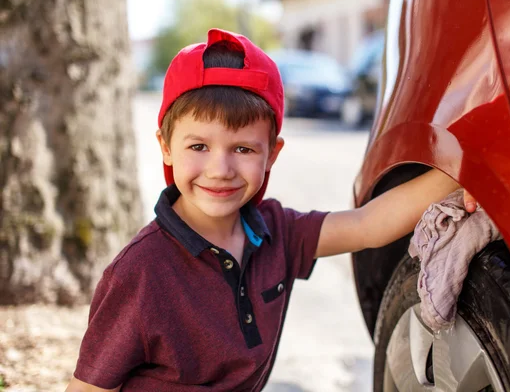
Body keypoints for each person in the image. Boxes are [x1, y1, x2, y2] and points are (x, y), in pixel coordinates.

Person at [65, 29, 476, 392]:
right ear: (166, 146)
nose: (220, 170)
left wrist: (470, 172)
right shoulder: (140, 272)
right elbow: (88, 388)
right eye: (198, 147)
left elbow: (368, 225)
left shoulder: (276, 231)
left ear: (272, 155)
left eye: (242, 149)